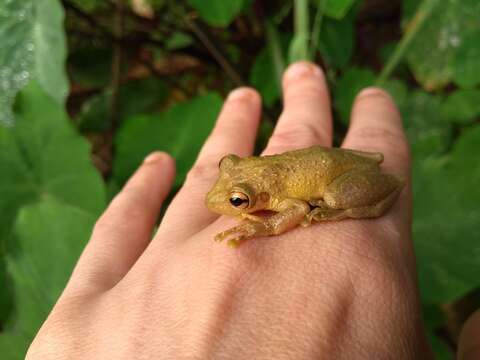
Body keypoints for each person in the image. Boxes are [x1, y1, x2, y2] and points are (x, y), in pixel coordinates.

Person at [26, 62, 480, 359]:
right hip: (326, 160)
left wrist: (260, 230)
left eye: (238, 201)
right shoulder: (254, 176)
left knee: (334, 200)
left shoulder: (278, 200)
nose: (228, 204)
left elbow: (299, 208)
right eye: (233, 188)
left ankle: (345, 210)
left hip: (339, 177)